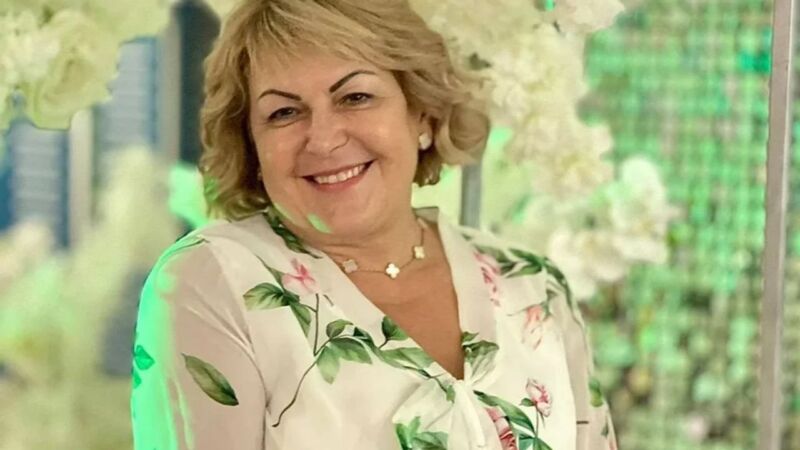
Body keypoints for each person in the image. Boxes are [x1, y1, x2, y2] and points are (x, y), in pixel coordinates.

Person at [130, 0, 617, 449]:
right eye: (284, 112)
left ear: (420, 113)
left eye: (355, 97)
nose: (323, 139)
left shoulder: (534, 286)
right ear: (252, 146)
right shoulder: (212, 283)